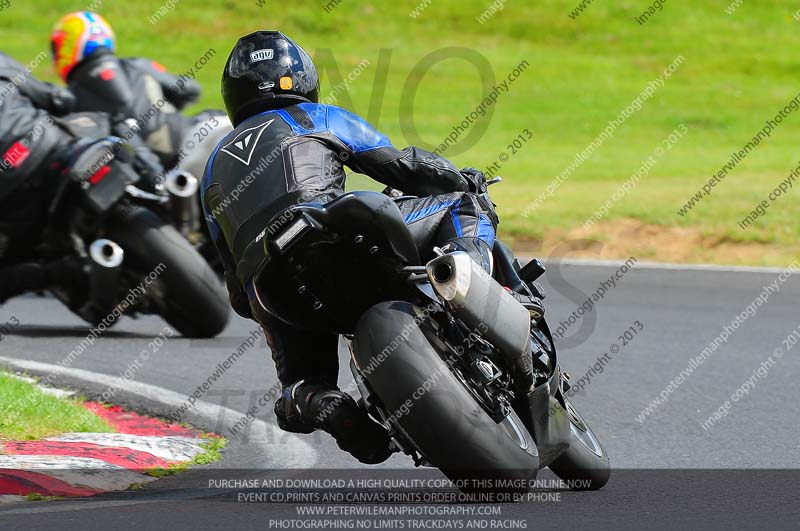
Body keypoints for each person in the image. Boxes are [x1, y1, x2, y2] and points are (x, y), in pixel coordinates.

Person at [202, 31, 506, 464]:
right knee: (462, 204)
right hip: (339, 236)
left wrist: (272, 304)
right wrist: (460, 179)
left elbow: (235, 290)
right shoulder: (312, 115)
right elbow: (403, 167)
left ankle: (321, 402)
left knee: (297, 388)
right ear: (301, 78)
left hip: (272, 285)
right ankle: (468, 287)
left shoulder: (211, 167)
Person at [0, 52, 163, 303]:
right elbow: (56, 98)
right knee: (110, 121)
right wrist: (64, 101)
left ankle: (53, 273)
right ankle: (159, 183)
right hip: (51, 151)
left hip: (12, 203)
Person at [50, 11, 229, 176]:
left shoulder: (68, 100)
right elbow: (190, 90)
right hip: (196, 137)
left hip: (160, 177)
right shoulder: (136, 65)